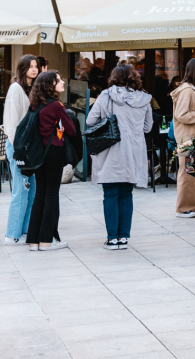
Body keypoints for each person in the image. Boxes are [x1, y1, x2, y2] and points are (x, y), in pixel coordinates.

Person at [86, 64, 153, 250]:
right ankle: (123, 237)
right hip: (133, 153)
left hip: (110, 151)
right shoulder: (144, 99)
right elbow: (148, 128)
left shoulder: (105, 96)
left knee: (110, 194)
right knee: (126, 194)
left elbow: (90, 121)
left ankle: (112, 238)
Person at [24, 71, 76, 251]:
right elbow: (72, 130)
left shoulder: (35, 104)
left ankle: (33, 241)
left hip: (38, 153)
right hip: (53, 151)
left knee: (40, 194)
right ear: (50, 85)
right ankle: (47, 240)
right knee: (52, 194)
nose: (62, 82)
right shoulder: (56, 106)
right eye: (58, 80)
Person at [3, 55, 38, 245]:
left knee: (31, 190)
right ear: (22, 69)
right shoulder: (15, 89)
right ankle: (12, 234)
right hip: (18, 146)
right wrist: (19, 149)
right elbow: (11, 122)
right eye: (30, 66)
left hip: (28, 147)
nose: (34, 69)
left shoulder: (30, 89)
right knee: (21, 189)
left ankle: (24, 231)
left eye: (36, 66)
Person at [171, 58, 195, 219]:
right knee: (186, 172)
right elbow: (181, 114)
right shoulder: (186, 90)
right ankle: (183, 207)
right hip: (186, 138)